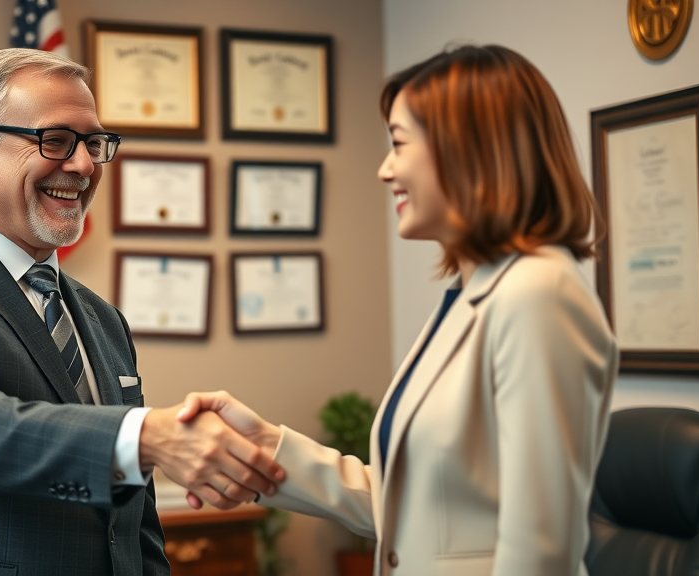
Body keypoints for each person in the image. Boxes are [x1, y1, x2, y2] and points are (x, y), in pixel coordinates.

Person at [178, 44, 619, 576]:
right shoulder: (472, 294)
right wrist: (266, 445)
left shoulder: (540, 293)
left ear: (468, 151)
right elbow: (411, 510)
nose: (386, 170)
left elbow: (540, 549)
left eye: (399, 144)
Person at [0, 48, 283, 576]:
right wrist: (150, 436)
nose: (82, 165)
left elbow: (130, 520)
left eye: (94, 143)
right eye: (55, 140)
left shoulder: (102, 319)